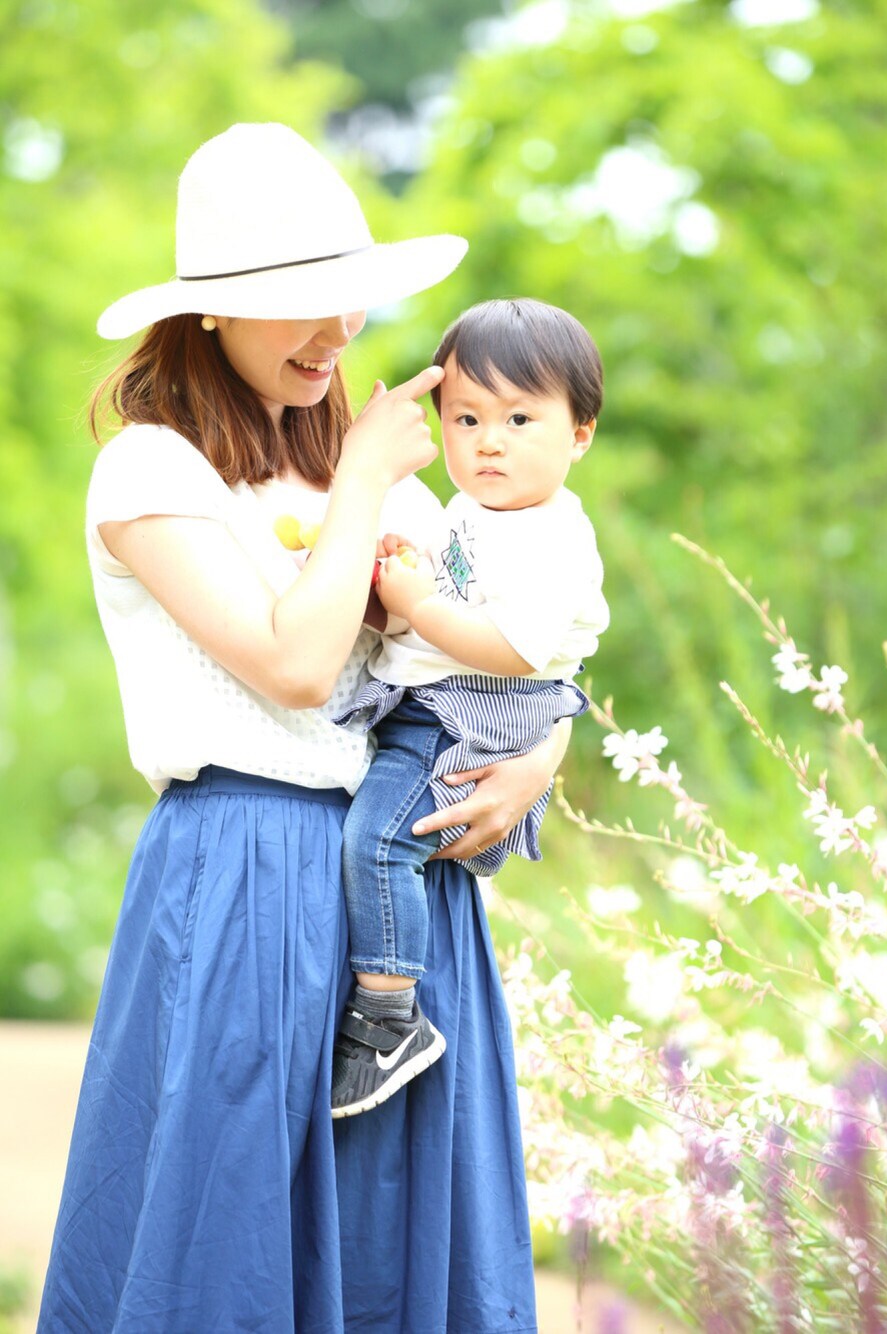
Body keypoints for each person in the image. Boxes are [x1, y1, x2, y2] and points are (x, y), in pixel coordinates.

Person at [38, 122, 563, 1333]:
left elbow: (515, 639)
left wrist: (539, 756)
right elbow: (293, 662)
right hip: (246, 874)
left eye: (350, 306)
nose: (336, 339)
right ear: (210, 313)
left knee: (398, 1235)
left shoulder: (368, 467)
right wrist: (371, 482)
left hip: (407, 883)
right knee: (227, 1230)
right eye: (300, 309)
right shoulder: (151, 472)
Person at [329, 298, 608, 1119]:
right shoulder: (477, 514)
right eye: (467, 417)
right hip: (447, 706)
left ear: (580, 433)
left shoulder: (550, 535)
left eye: (521, 418)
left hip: (473, 717)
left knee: (380, 843)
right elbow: (455, 598)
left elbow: (512, 649)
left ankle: (388, 1019)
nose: (490, 441)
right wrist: (406, 575)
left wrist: (418, 601)